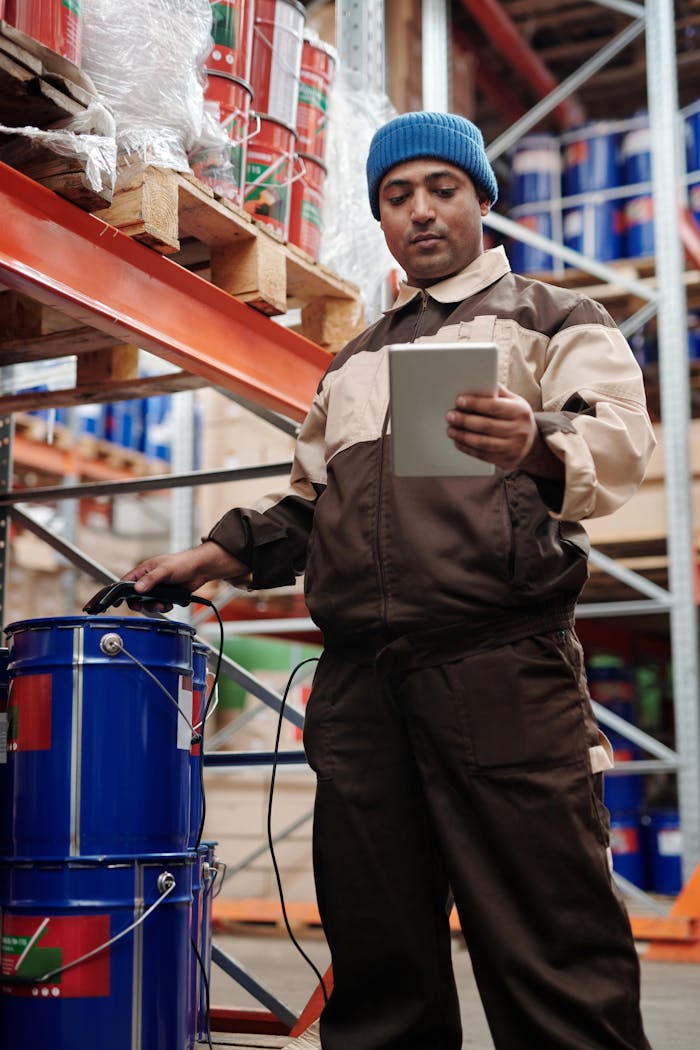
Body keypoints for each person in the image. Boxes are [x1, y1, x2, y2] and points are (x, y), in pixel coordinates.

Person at [125, 112, 657, 1050]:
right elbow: (310, 505)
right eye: (396, 196)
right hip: (363, 691)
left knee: (550, 948)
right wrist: (222, 553)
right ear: (380, 217)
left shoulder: (554, 319)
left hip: (499, 673)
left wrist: (536, 440)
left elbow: (619, 444)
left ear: (481, 199)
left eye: (441, 189)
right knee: (379, 961)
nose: (420, 212)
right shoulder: (355, 362)